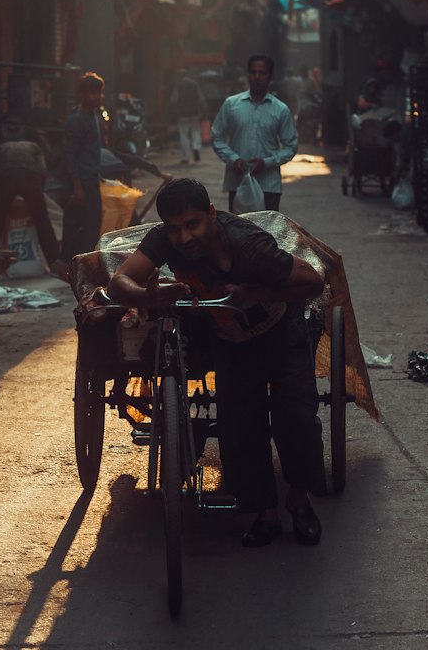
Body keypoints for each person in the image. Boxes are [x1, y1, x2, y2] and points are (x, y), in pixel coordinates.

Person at [107, 178, 326, 546]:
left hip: (279, 332)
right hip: (229, 338)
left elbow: (312, 281)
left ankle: (299, 499)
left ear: (210, 215)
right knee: (239, 427)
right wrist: (149, 295)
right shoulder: (163, 241)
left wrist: (254, 293)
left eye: (193, 224)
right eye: (175, 229)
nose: (184, 237)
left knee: (297, 419)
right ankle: (264, 513)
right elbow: (119, 282)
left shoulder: (249, 245)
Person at [0, 118, 69, 280]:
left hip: (6, 177)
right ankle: (54, 264)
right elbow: (42, 171)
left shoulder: (1, 148)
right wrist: (36, 196)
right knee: (43, 223)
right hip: (30, 177)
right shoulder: (34, 147)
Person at [211, 55, 298, 212]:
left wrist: (267, 162)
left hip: (269, 184)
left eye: (262, 73)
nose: (257, 76)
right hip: (238, 182)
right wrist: (233, 159)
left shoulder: (280, 109)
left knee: (267, 233)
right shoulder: (231, 105)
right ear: (248, 74)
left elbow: (291, 146)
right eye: (253, 72)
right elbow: (217, 136)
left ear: (270, 77)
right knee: (238, 232)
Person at [61, 71, 106, 261]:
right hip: (83, 183)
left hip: (91, 179)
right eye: (92, 93)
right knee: (88, 227)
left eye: (98, 92)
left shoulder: (94, 115)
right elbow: (70, 155)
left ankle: (66, 263)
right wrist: (78, 187)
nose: (96, 97)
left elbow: (92, 151)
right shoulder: (77, 120)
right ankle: (71, 264)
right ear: (82, 94)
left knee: (84, 226)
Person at [171, 66, 205, 165]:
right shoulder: (195, 84)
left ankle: (185, 157)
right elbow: (201, 98)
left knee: (184, 135)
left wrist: (173, 110)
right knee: (196, 132)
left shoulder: (178, 85)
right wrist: (204, 110)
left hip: (182, 115)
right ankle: (196, 148)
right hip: (194, 113)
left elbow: (174, 100)